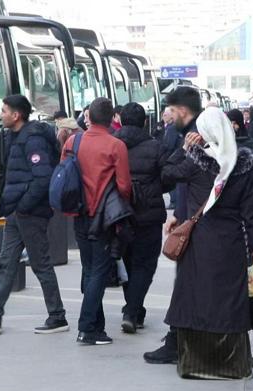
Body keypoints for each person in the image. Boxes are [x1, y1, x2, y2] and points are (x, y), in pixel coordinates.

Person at [163, 107, 253, 379]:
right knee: (229, 304)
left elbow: (166, 174)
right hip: (231, 245)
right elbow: (249, 213)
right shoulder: (242, 165)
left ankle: (196, 364)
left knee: (197, 299)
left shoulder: (195, 163)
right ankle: (232, 365)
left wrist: (184, 147)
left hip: (200, 244)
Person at [0, 95, 67, 335]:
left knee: (40, 265)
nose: (1, 115)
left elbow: (43, 177)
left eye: (4, 111)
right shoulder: (15, 136)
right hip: (16, 213)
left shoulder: (33, 139)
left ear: (16, 115)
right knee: (6, 262)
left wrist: (24, 204)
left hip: (29, 213)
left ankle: (57, 315)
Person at [65, 97, 132, 345]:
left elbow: (64, 174)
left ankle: (97, 326)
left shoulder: (73, 140)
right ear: (113, 118)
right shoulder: (116, 146)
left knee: (89, 269)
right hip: (103, 217)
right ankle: (87, 328)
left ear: (88, 117)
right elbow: (124, 186)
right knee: (99, 273)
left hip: (78, 214)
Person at [144, 86, 202, 364]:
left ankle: (175, 343)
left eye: (169, 109)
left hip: (201, 225)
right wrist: (178, 211)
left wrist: (183, 149)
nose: (167, 114)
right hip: (198, 220)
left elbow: (172, 172)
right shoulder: (199, 132)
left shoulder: (196, 138)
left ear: (181, 110)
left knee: (188, 286)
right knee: (216, 287)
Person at [113, 103, 169, 333]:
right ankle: (132, 311)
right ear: (145, 121)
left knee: (127, 262)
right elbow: (168, 178)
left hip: (119, 212)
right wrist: (153, 188)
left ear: (121, 120)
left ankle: (134, 310)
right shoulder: (156, 146)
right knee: (145, 264)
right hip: (149, 213)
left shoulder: (112, 144)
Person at [228, 109, 253, 208]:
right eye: (229, 123)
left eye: (235, 123)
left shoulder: (252, 144)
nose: (232, 126)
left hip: (249, 195)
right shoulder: (223, 146)